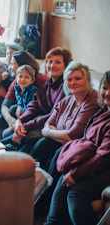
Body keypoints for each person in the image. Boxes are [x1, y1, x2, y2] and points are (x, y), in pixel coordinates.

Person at [45, 71, 110, 225]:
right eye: (105, 87)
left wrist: (77, 174)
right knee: (63, 173)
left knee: (76, 193)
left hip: (105, 169)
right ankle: (51, 221)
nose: (107, 93)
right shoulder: (103, 112)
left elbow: (104, 157)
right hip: (95, 164)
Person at [29, 61, 100, 166]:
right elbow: (48, 124)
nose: (73, 82)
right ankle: (25, 171)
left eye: (78, 78)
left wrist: (49, 132)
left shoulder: (93, 100)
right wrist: (58, 135)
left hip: (77, 148)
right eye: (69, 79)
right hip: (59, 142)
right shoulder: (67, 100)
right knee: (42, 143)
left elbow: (72, 135)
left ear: (88, 80)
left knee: (58, 150)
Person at [12, 47, 73, 149]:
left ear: (66, 66)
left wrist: (26, 126)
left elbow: (54, 114)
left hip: (52, 126)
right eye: (49, 62)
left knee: (23, 136)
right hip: (41, 122)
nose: (52, 65)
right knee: (8, 134)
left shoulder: (65, 87)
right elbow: (34, 105)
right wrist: (20, 120)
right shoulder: (48, 84)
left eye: (58, 62)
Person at [1, 50, 47, 139]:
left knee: (8, 135)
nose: (10, 68)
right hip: (24, 116)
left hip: (39, 117)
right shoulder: (17, 81)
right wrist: (10, 119)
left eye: (12, 64)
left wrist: (21, 124)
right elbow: (5, 104)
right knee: (13, 109)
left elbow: (37, 110)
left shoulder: (40, 82)